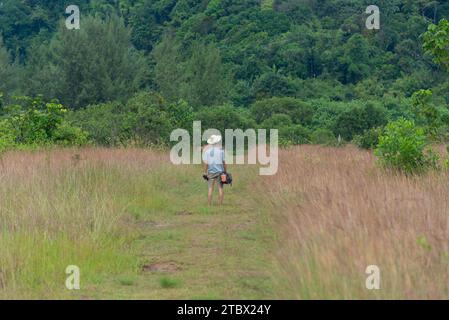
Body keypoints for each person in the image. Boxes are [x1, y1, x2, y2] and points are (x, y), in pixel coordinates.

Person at [203, 134, 227, 206]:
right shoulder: (221, 151)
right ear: (217, 142)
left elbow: (206, 163)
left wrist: (205, 172)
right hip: (220, 172)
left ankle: (209, 205)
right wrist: (225, 171)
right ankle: (220, 205)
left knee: (210, 188)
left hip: (211, 172)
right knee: (220, 188)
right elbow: (224, 162)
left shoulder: (207, 152)